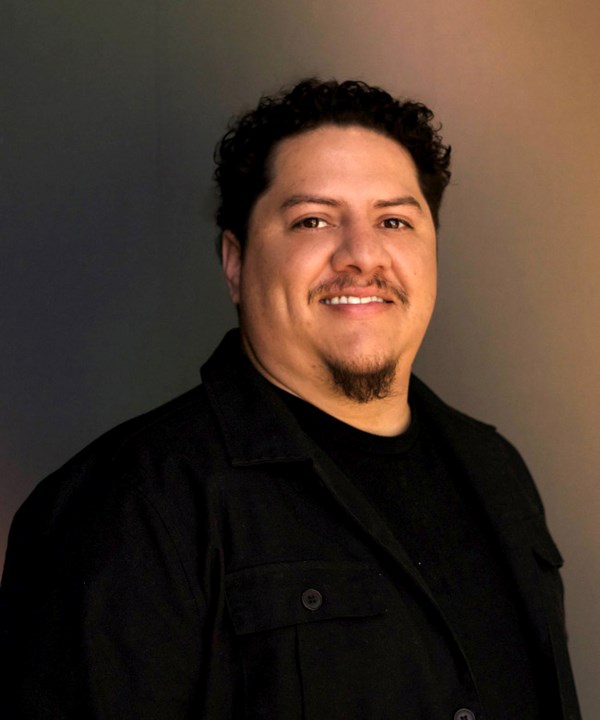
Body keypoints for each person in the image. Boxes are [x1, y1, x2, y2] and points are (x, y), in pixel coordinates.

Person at [0, 79, 580, 720]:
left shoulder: (499, 472)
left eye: (394, 221)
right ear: (235, 262)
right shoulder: (127, 506)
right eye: (313, 221)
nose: (363, 256)